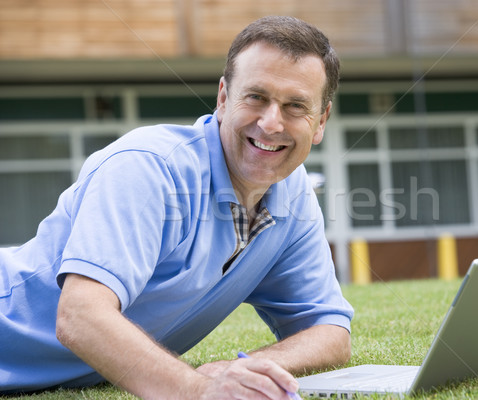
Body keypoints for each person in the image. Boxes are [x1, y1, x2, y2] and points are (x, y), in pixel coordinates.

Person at [0, 16, 354, 399]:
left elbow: (329, 330)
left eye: (295, 106)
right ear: (223, 99)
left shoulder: (293, 193)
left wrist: (240, 369)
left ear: (320, 122)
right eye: (256, 97)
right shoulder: (149, 167)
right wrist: (199, 390)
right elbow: (80, 317)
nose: (271, 123)